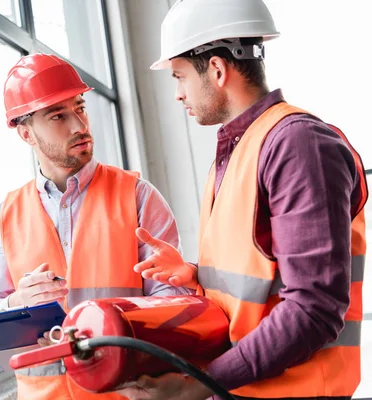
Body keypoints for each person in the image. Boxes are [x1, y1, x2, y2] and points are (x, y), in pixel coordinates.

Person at [118, 0, 367, 399]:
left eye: (180, 77)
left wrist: (198, 385)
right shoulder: (240, 150)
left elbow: (314, 309)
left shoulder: (297, 144)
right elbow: (264, 276)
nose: (178, 94)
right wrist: (196, 274)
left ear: (216, 70)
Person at [0, 53, 191, 400]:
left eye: (80, 108)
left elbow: (172, 300)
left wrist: (114, 332)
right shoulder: (4, 215)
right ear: (26, 133)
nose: (79, 126)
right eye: (58, 116)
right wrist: (19, 300)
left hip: (126, 392)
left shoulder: (136, 196)